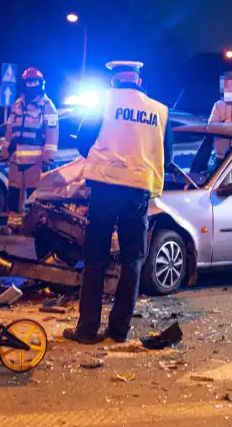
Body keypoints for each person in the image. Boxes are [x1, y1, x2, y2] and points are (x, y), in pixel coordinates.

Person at [63, 61, 174, 345]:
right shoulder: (159, 111)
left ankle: (88, 329)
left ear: (114, 81)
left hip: (105, 188)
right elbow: (168, 157)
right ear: (138, 81)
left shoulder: (105, 102)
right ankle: (119, 330)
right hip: (137, 193)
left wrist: (104, 160)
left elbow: (82, 141)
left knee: (95, 259)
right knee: (133, 260)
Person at [1, 67, 59, 235]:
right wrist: (5, 151)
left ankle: (35, 226)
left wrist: (49, 156)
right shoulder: (17, 104)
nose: (31, 85)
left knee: (34, 194)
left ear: (41, 84)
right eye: (28, 82)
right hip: (16, 157)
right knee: (14, 191)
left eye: (34, 82)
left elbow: (52, 131)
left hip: (36, 159)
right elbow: (10, 130)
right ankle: (14, 224)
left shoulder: (46, 106)